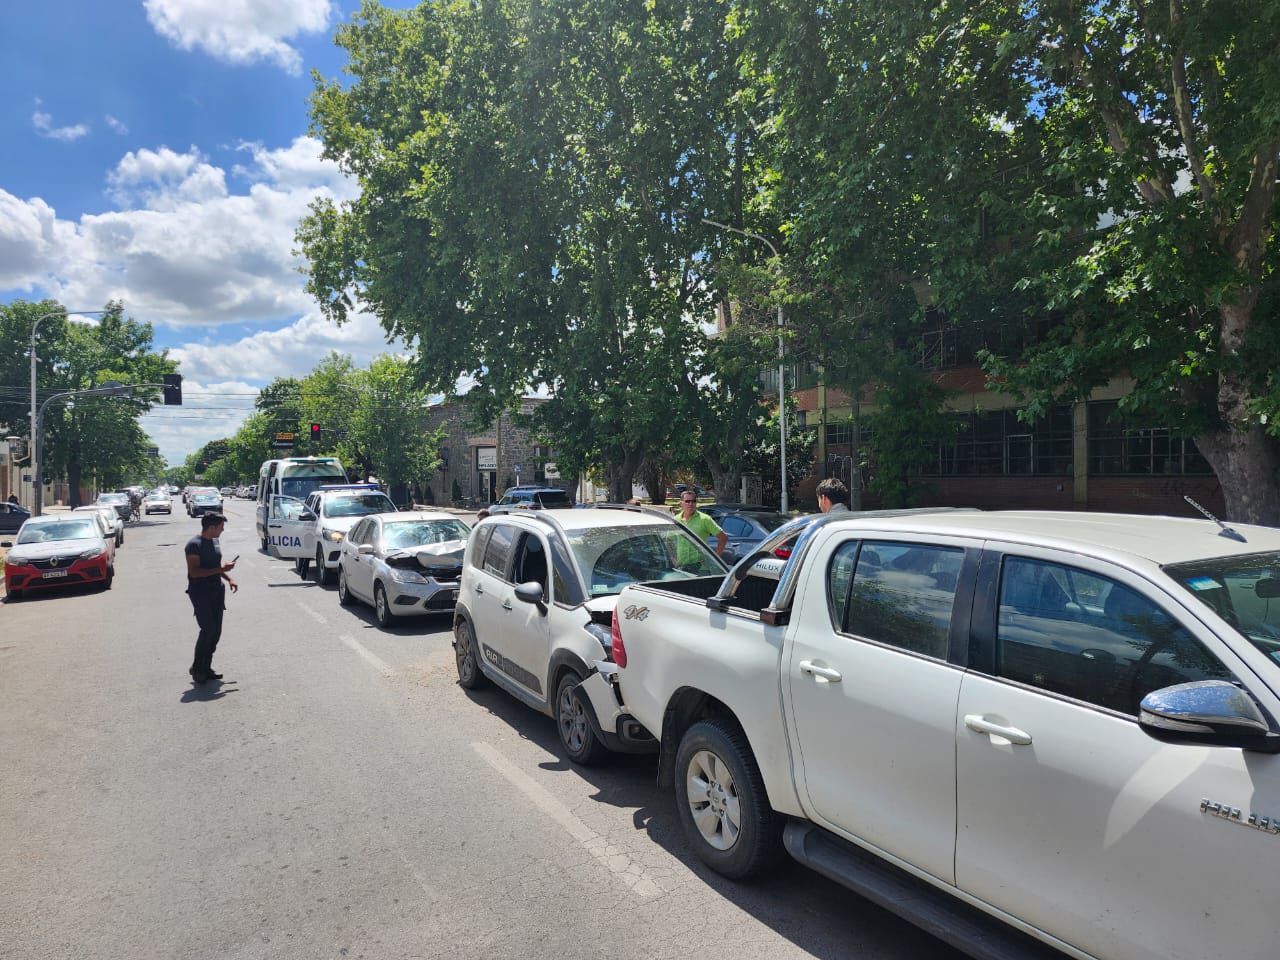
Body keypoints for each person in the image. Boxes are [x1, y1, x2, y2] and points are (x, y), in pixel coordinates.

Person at [185, 512, 237, 683]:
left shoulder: (215, 541)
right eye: (221, 527)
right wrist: (222, 569)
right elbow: (195, 572)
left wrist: (229, 578)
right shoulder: (194, 545)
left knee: (216, 632)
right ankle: (197, 668)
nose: (223, 530)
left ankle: (205, 667)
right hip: (200, 592)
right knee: (208, 629)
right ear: (212, 527)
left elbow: (215, 567)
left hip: (216, 590)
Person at [675, 492, 728, 557]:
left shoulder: (705, 519)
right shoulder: (676, 519)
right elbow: (669, 539)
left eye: (693, 501)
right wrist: (673, 558)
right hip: (681, 565)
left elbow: (723, 538)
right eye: (687, 501)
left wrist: (716, 559)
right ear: (681, 503)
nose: (691, 504)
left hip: (701, 565)